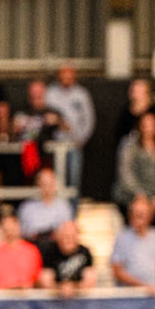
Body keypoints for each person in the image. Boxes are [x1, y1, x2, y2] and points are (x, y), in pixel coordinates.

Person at [45, 63, 96, 192]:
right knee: (54, 181)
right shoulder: (50, 93)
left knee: (73, 182)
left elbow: (89, 120)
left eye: (70, 75)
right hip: (54, 144)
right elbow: (45, 115)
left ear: (74, 76)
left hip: (74, 144)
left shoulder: (81, 94)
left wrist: (81, 139)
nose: (67, 78)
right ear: (59, 76)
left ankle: (71, 210)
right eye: (64, 75)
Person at [111, 194, 155, 288]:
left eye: (142, 214)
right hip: (130, 296)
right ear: (130, 215)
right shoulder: (122, 238)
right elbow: (117, 271)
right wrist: (142, 286)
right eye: (136, 214)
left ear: (150, 216)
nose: (139, 218)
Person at [0, 210, 44, 290]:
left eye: (12, 226)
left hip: (26, 297)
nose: (9, 230)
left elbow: (38, 278)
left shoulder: (31, 251)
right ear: (1, 229)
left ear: (18, 226)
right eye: (6, 227)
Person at [16, 165, 74, 240]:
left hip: (56, 246)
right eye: (44, 184)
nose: (47, 188)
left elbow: (68, 231)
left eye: (50, 184)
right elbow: (21, 233)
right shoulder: (26, 208)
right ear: (38, 185)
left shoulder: (64, 206)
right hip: (34, 245)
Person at [39, 220, 97, 293]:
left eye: (71, 236)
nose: (67, 240)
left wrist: (73, 287)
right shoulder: (49, 251)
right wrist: (61, 288)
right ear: (58, 237)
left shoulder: (84, 252)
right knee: (44, 276)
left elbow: (90, 278)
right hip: (54, 296)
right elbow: (45, 279)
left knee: (91, 274)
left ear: (77, 237)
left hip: (79, 295)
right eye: (64, 236)